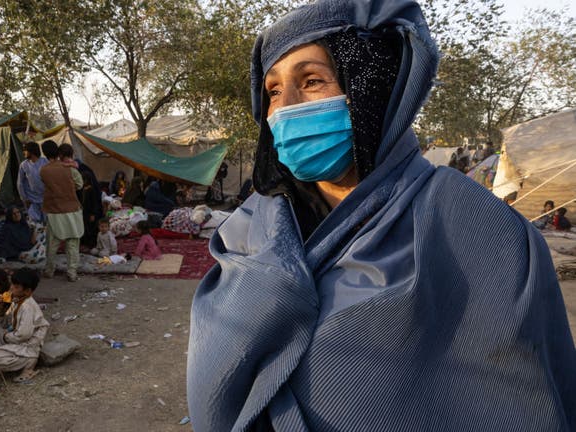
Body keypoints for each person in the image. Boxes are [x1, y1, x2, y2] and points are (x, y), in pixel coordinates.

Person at [187, 1, 576, 430]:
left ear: (370, 88)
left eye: (312, 80)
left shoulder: (481, 232)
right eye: (274, 91)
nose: (287, 108)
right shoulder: (246, 233)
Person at [0, 268, 49, 383]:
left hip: (27, 346)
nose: (11, 288)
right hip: (16, 339)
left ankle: (28, 362)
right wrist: (0, 309)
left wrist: (5, 336)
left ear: (27, 291)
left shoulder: (27, 307)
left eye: (16, 287)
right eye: (12, 284)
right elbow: (4, 323)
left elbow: (23, 335)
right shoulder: (17, 300)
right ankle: (10, 359)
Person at [39, 141, 84, 281]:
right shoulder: (69, 168)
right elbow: (79, 184)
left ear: (45, 154)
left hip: (54, 211)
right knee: (72, 243)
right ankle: (72, 272)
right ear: (58, 153)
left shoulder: (44, 171)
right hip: (72, 209)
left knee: (52, 244)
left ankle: (49, 270)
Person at [17, 142, 48, 223]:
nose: (24, 152)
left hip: (46, 199)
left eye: (25, 150)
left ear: (31, 151)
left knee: (47, 223)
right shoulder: (24, 165)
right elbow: (20, 183)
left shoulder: (45, 162)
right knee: (35, 225)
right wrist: (24, 198)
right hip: (32, 201)